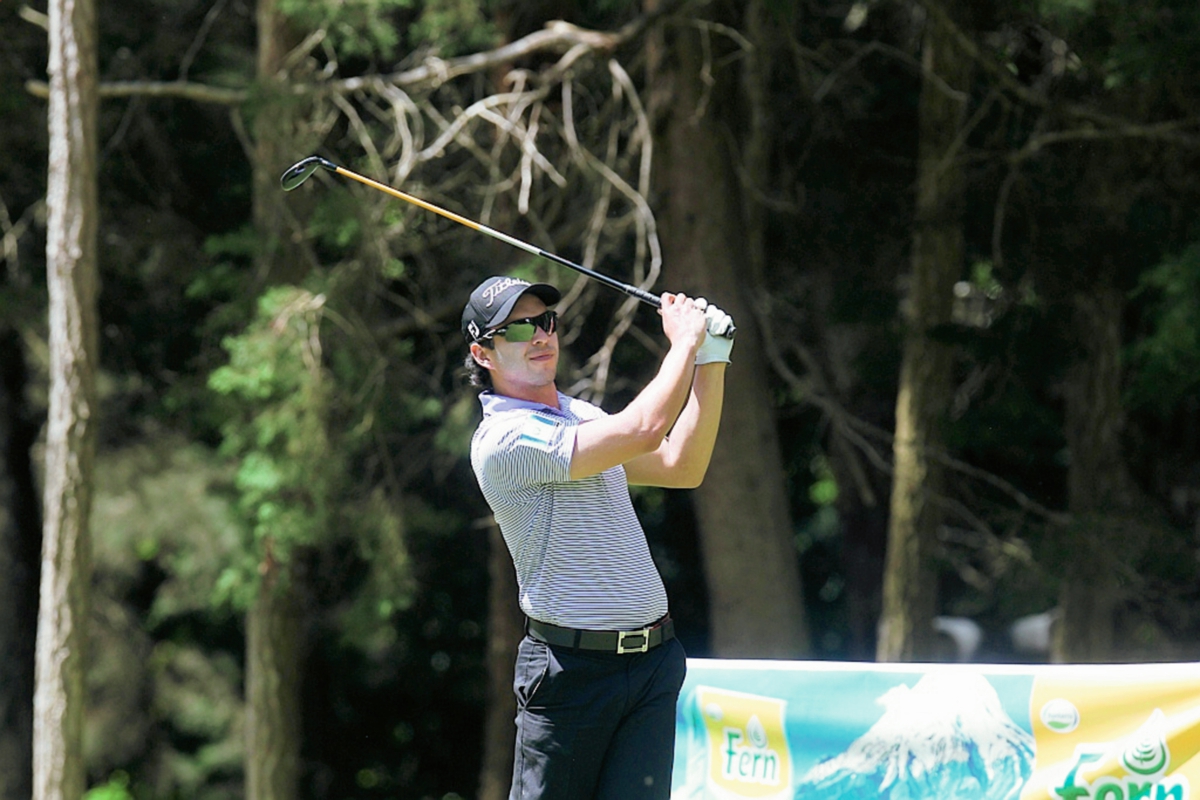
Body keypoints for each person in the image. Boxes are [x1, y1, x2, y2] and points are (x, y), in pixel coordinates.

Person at [461, 275, 734, 800]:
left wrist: (711, 359)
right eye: (517, 329)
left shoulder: (579, 416)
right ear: (484, 353)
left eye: (545, 322)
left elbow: (682, 465)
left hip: (651, 665)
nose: (540, 336)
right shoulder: (504, 439)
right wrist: (684, 343)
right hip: (571, 673)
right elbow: (644, 429)